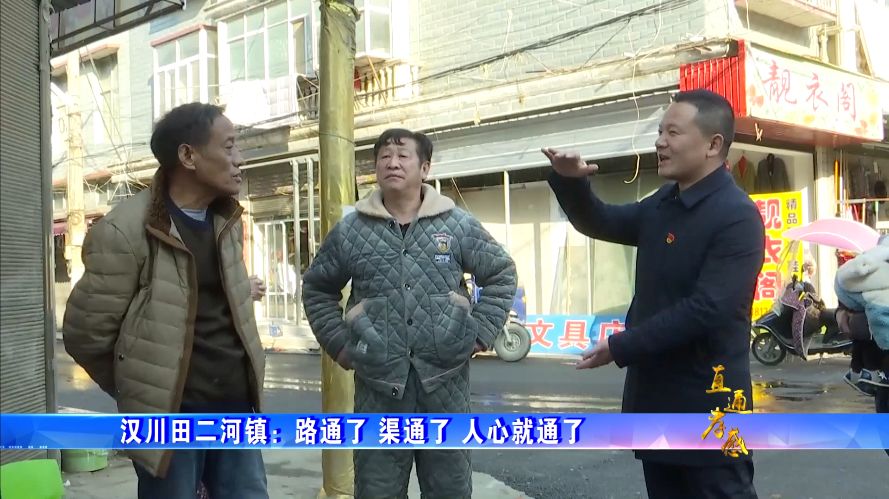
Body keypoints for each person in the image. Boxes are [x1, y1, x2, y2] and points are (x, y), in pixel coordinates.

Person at [543, 89, 764, 498]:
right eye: (660, 132)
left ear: (713, 144)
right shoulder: (664, 203)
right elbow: (601, 221)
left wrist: (621, 346)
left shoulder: (736, 215)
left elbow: (707, 308)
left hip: (711, 403)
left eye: (673, 133)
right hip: (656, 398)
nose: (660, 142)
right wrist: (572, 182)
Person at [63, 103, 269, 499]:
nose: (239, 159)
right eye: (228, 147)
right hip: (168, 422)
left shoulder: (226, 220)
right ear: (188, 156)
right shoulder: (124, 231)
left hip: (236, 409)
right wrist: (145, 391)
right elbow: (86, 334)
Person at [301, 128, 517, 499]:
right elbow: (317, 288)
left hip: (445, 385)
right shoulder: (352, 229)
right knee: (377, 490)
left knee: (449, 490)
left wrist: (478, 333)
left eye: (403, 156)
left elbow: (501, 273)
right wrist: (340, 345)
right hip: (378, 387)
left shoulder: (456, 224)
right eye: (384, 156)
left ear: (425, 168)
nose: (392, 163)